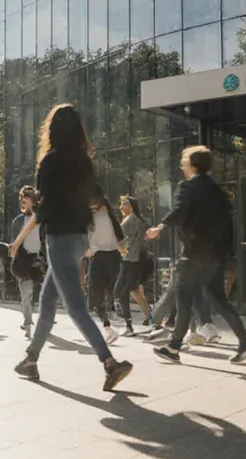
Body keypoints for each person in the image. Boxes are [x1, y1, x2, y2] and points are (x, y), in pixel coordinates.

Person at [12, 104, 134, 390]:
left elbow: (47, 203)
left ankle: (109, 363)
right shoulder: (82, 161)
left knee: (76, 307)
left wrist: (35, 220)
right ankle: (31, 359)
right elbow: (96, 196)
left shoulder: (50, 162)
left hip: (59, 238)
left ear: (51, 130)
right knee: (47, 301)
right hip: (79, 237)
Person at [147, 147, 246, 365]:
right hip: (215, 255)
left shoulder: (187, 187)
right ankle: (245, 342)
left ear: (192, 163)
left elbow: (180, 211)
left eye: (184, 161)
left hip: (194, 253)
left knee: (183, 295)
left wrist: (160, 226)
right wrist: (227, 255)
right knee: (218, 300)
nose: (181, 165)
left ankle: (173, 347)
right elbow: (228, 224)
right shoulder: (218, 192)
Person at [87, 195, 124, 343]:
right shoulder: (93, 217)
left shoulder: (107, 216)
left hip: (108, 255)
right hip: (101, 255)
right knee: (97, 291)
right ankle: (107, 324)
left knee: (106, 290)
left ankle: (109, 322)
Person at [11, 185, 45, 334]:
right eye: (22, 197)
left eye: (28, 196)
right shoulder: (18, 221)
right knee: (26, 293)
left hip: (39, 259)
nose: (24, 199)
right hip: (24, 260)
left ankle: (45, 320)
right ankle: (27, 322)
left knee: (44, 292)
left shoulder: (41, 219)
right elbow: (14, 242)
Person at [112, 195, 147, 338]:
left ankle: (129, 325)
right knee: (124, 292)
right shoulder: (129, 219)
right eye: (120, 204)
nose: (121, 207)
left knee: (120, 292)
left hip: (129, 260)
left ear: (132, 206)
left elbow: (128, 240)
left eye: (124, 204)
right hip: (128, 260)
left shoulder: (133, 221)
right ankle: (130, 325)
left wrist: (114, 246)